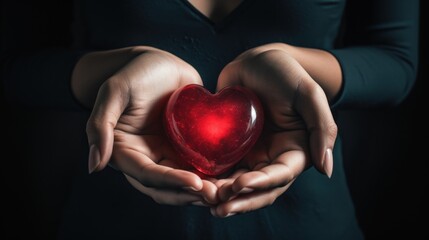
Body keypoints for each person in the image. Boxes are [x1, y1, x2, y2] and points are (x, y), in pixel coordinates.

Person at [1, 0, 419, 239]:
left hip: (308, 223)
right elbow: (19, 64)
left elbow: (396, 60)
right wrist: (116, 69)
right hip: (118, 221)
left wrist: (295, 67)